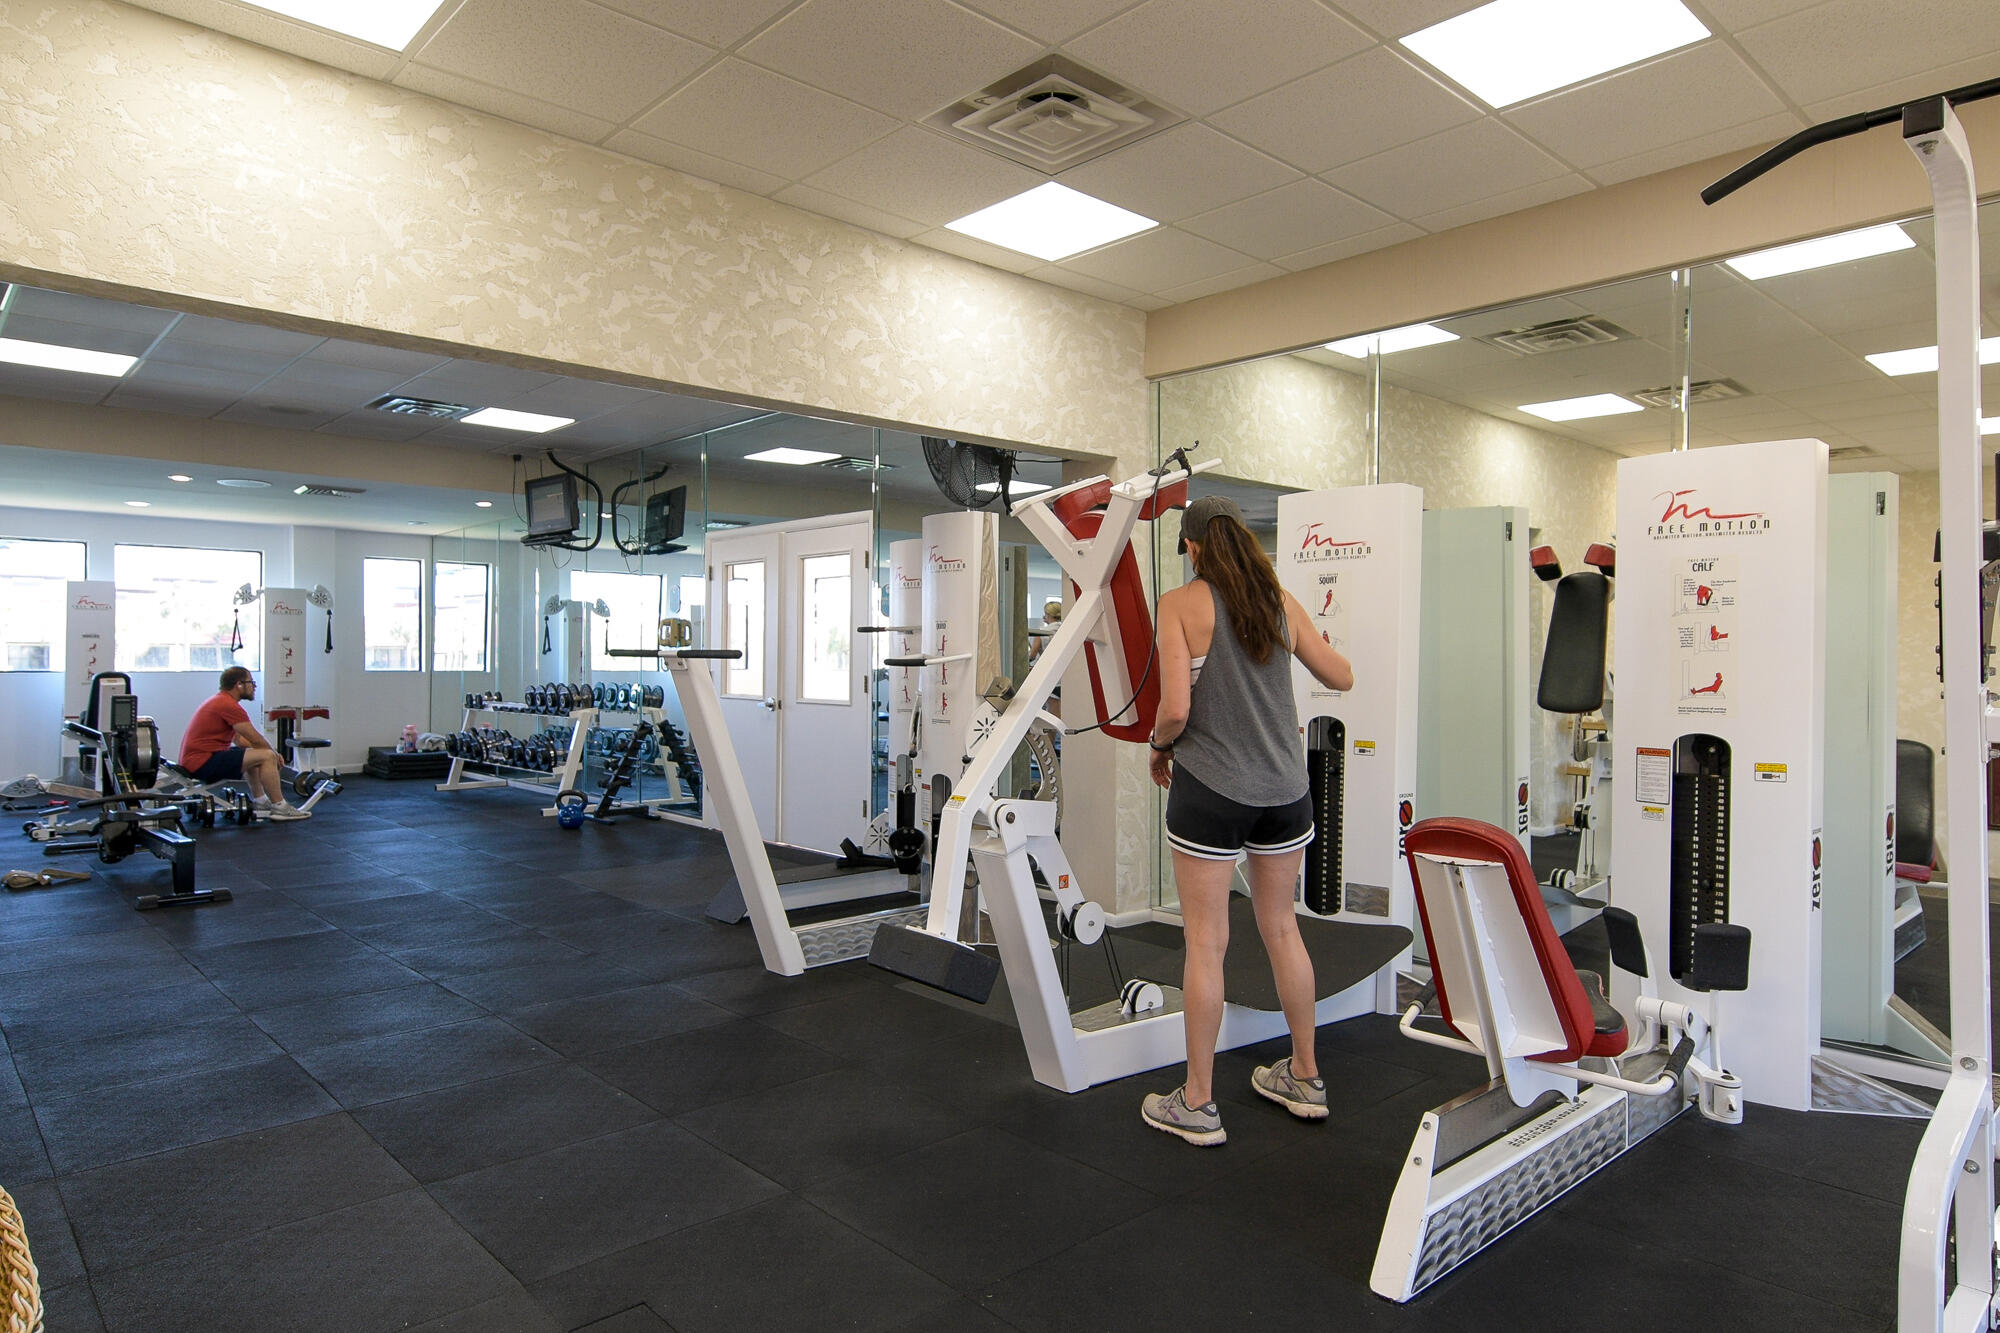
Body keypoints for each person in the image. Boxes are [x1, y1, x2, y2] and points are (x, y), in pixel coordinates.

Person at [1140, 495, 1353, 1146]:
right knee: (1282, 928)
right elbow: (1341, 675)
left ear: (1194, 547)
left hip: (1213, 790)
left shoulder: (1180, 605)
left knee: (1206, 942)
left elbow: (1176, 709)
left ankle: (1198, 1102)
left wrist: (1158, 745)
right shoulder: (1278, 602)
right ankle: (1306, 1076)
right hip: (1285, 792)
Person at [180, 666, 310, 820]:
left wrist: (265, 752)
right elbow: (255, 738)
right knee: (266, 756)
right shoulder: (228, 705)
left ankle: (261, 801)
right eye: (251, 682)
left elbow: (240, 740)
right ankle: (280, 807)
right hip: (202, 763)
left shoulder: (220, 701)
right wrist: (274, 755)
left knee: (254, 754)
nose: (254, 686)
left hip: (198, 760)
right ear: (239, 684)